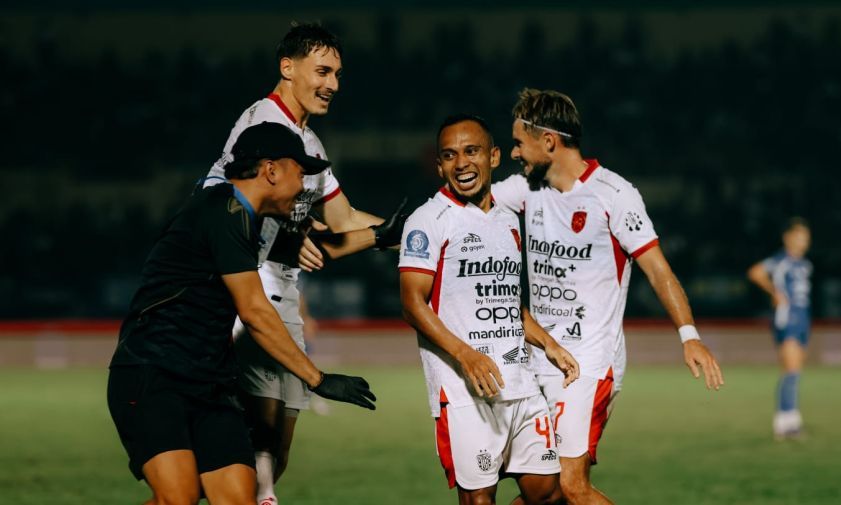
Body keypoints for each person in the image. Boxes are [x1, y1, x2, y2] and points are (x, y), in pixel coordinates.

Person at [107, 122, 376, 505]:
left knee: (237, 497)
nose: (303, 186)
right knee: (178, 498)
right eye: (299, 172)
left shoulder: (246, 220)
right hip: (154, 373)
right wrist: (317, 379)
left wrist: (381, 235)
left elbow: (313, 248)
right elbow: (254, 311)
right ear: (271, 170)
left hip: (210, 381)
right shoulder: (224, 210)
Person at [490, 88, 725, 505]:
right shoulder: (526, 188)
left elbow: (658, 270)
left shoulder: (614, 194)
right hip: (538, 359)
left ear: (549, 142)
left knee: (570, 485)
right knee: (543, 492)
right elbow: (460, 215)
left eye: (518, 142)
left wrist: (689, 335)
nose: (513, 153)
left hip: (589, 363)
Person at [204, 22, 406, 505]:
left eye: (337, 73)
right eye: (322, 71)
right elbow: (219, 204)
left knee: (275, 450)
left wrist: (422, 237)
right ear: (287, 68)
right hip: (247, 288)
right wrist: (281, 236)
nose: (332, 83)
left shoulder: (308, 144)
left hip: (285, 292)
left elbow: (343, 219)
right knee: (255, 447)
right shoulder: (260, 126)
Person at [399, 114, 580, 505]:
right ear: (439, 166)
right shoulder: (427, 221)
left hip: (520, 384)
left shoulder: (508, 220)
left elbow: (509, 302)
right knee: (479, 499)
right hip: (465, 392)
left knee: (549, 495)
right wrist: (466, 356)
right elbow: (412, 304)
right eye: (450, 155)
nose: (461, 163)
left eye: (471, 151)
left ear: (493, 157)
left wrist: (548, 343)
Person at [747, 218, 812, 440]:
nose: (803, 242)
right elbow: (755, 272)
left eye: (806, 238)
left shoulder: (804, 264)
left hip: (802, 319)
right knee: (791, 370)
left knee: (794, 371)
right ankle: (786, 422)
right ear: (788, 238)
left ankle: (788, 421)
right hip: (788, 318)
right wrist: (774, 292)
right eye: (799, 237)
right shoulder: (781, 261)